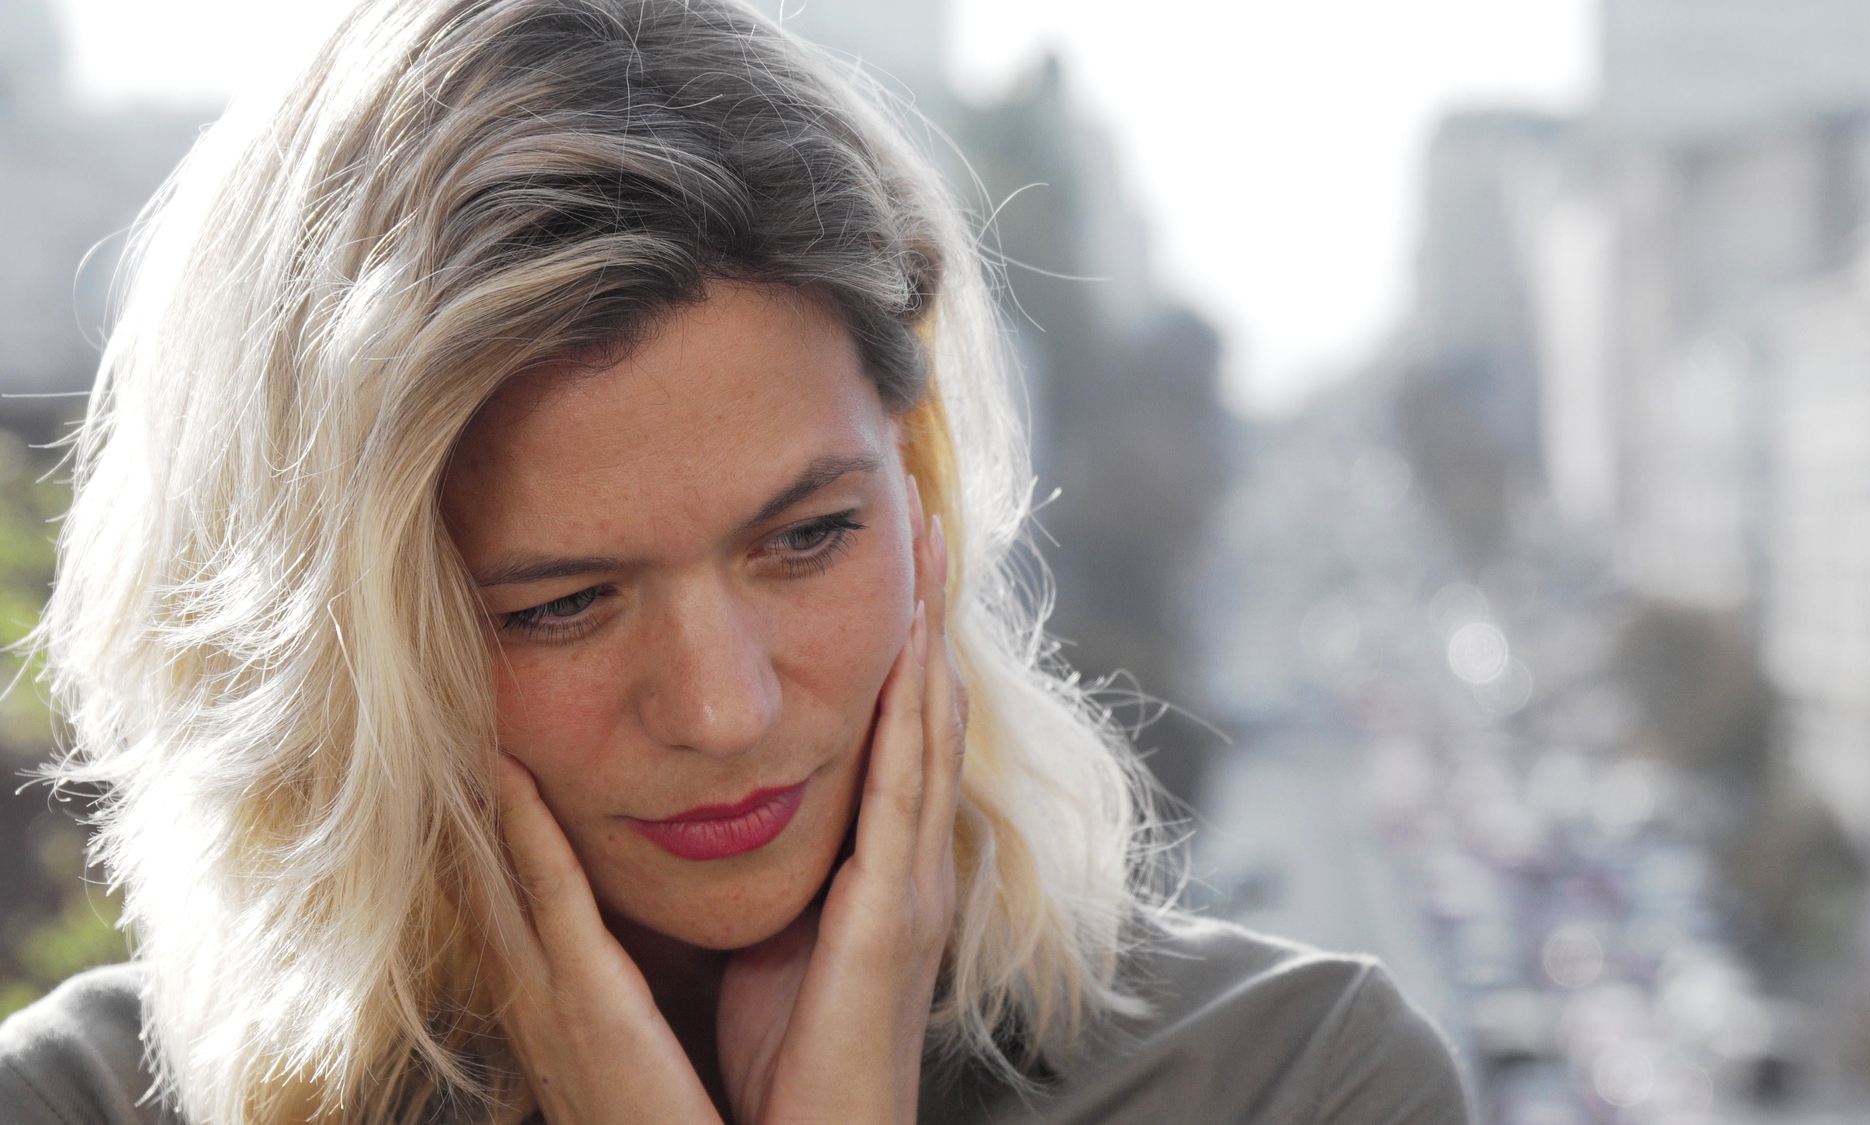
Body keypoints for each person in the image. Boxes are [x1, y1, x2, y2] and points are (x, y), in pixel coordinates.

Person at [0, 1, 1470, 1122]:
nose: (725, 708)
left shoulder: (1294, 1081)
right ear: (341, 639)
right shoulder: (71, 1103)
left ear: (922, 482)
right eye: (562, 603)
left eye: (809, 535)